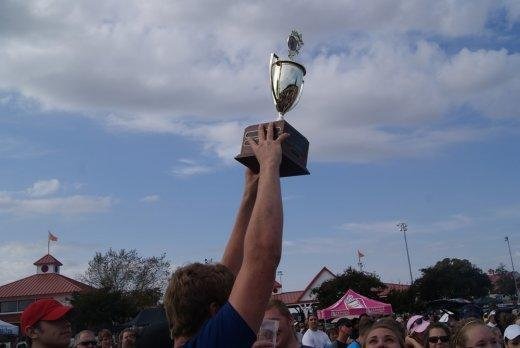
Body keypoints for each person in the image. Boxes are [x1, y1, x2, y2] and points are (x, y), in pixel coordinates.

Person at [163, 122, 289, 347]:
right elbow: (263, 257)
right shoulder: (214, 342)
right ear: (214, 311)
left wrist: (249, 195)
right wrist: (270, 164)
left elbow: (226, 273)